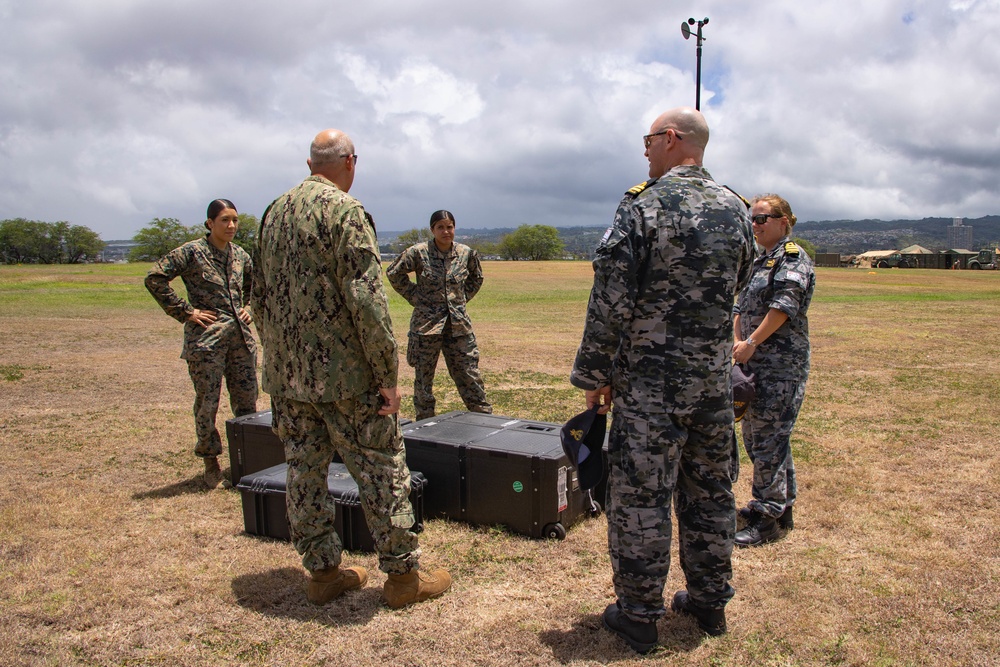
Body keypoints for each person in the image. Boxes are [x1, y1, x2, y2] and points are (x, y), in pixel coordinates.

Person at [570, 107, 755, 652]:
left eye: (649, 140)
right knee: (710, 492)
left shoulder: (642, 207)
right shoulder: (737, 210)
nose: (645, 151)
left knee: (641, 496)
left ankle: (639, 614)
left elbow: (611, 299)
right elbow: (738, 281)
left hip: (652, 387)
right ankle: (710, 602)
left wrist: (595, 373)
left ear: (672, 140)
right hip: (711, 384)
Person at [251, 129, 451, 608]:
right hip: (346, 378)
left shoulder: (273, 213)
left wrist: (280, 357)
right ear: (351, 162)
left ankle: (323, 574)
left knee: (303, 471)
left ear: (308, 163)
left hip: (289, 377)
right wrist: (387, 376)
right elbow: (366, 300)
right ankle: (404, 577)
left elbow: (257, 296)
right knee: (381, 468)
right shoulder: (346, 211)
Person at [145, 199, 258, 489]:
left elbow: (257, 286)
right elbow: (155, 278)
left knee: (247, 404)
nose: (231, 225)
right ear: (210, 224)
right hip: (206, 343)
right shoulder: (192, 252)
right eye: (224, 220)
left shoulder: (241, 256)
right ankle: (211, 462)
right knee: (207, 403)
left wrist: (251, 307)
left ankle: (247, 462)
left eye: (234, 219)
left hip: (240, 341)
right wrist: (186, 312)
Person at [732, 194, 815, 547]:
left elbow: (782, 308)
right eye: (752, 219)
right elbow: (739, 302)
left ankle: (767, 517)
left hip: (780, 367)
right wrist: (739, 342)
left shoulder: (792, 259)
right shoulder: (758, 260)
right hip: (753, 364)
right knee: (762, 438)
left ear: (785, 222)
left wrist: (750, 341)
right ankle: (782, 506)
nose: (755, 225)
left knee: (768, 440)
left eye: (762, 219)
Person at [386, 210, 492, 421]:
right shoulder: (418, 252)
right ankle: (425, 425)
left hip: (458, 327)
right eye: (440, 227)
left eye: (449, 227)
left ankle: (485, 420)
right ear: (432, 229)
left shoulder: (466, 253)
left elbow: (476, 279)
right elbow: (394, 273)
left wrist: (459, 301)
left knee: (469, 375)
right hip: (426, 327)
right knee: (424, 380)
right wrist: (416, 297)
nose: (446, 231)